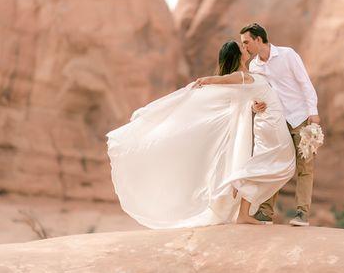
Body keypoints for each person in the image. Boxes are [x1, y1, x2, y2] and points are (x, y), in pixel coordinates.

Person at [106, 40, 295, 229]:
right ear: (237, 56)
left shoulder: (248, 74)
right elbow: (230, 81)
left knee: (253, 166)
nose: (246, 48)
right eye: (242, 48)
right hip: (240, 130)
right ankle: (242, 212)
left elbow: (247, 95)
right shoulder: (239, 76)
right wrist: (209, 80)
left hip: (244, 129)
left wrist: (254, 105)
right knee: (256, 166)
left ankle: (241, 210)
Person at [240, 23, 320, 227]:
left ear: (259, 40)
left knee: (305, 167)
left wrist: (313, 112)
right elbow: (259, 92)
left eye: (247, 42)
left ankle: (302, 213)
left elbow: (304, 82)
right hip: (277, 121)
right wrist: (255, 104)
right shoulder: (254, 66)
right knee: (274, 162)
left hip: (301, 117)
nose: (245, 47)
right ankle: (265, 212)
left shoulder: (288, 55)